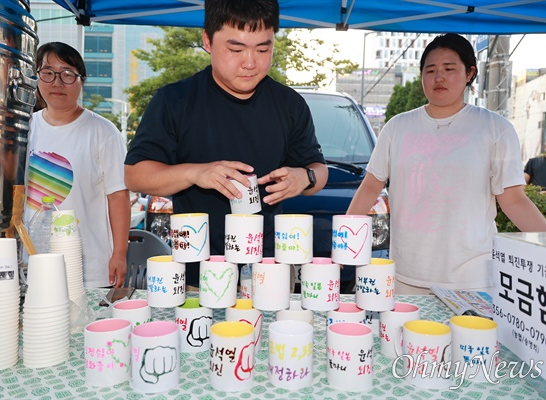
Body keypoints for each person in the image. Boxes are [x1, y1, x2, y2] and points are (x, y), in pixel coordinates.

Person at [124, 0, 328, 288]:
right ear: (207, 40)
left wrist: (304, 178)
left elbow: (318, 170)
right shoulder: (174, 101)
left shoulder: (290, 105)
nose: (250, 62)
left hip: (269, 270)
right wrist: (196, 173)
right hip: (196, 270)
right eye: (236, 49)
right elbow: (135, 174)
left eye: (263, 49)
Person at [346, 33, 546, 294]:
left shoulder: (495, 128)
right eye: (430, 70)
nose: (438, 77)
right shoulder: (397, 127)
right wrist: (344, 240)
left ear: (470, 73)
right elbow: (370, 186)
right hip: (407, 275)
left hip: (473, 280)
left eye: (449, 69)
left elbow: (513, 199)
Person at [26, 42, 129, 288]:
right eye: (48, 72)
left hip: (88, 269)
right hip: (31, 262)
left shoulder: (103, 132)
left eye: (67, 74)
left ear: (81, 81)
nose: (57, 82)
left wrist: (120, 254)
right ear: (37, 77)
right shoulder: (25, 127)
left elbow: (119, 197)